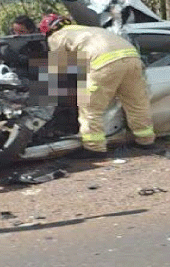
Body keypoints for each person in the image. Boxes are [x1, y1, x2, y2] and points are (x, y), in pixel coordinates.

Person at [39, 13, 155, 158]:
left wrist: (44, 88)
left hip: (105, 64)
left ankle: (94, 148)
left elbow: (58, 67)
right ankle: (146, 141)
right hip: (132, 59)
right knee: (136, 103)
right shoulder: (90, 29)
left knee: (89, 106)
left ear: (48, 31)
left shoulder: (57, 36)